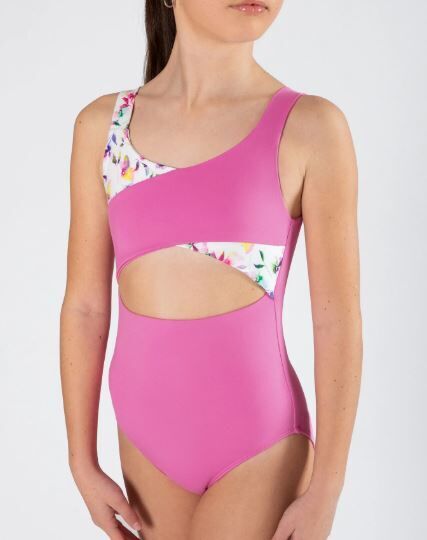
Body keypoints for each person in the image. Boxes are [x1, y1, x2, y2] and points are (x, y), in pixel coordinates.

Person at [60, 1, 362, 538]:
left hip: (259, 448)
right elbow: (84, 307)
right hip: (146, 445)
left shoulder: (311, 127)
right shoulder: (104, 127)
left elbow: (336, 318)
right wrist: (81, 460)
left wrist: (328, 487)